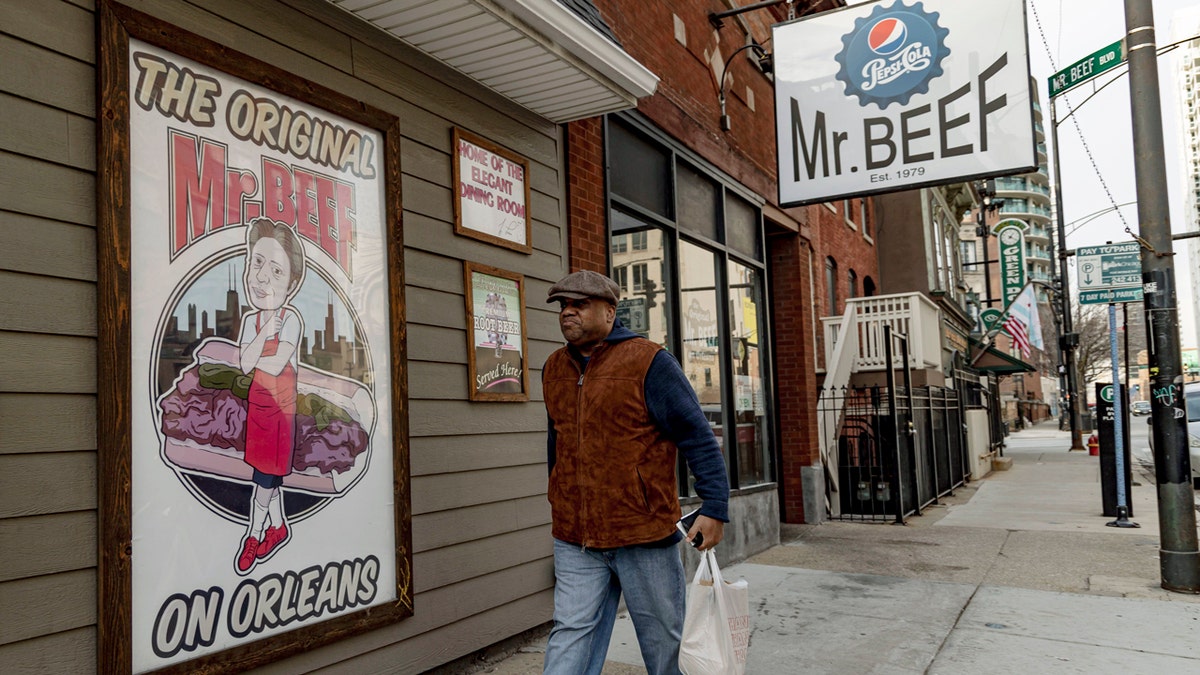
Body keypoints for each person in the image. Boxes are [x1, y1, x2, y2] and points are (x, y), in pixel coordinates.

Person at [541, 269, 730, 675]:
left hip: (642, 533)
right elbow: (557, 444)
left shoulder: (649, 361)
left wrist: (715, 505)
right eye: (562, 306)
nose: (567, 313)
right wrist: (558, 495)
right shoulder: (554, 368)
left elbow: (696, 434)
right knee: (570, 631)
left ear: (610, 312)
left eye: (579, 304)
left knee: (664, 644)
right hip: (575, 537)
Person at [236, 217, 306, 575]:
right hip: (258, 410)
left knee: (263, 480)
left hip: (280, 414)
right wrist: (264, 332)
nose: (262, 276)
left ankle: (255, 533)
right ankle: (280, 527)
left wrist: (256, 348)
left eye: (276, 270)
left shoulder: (292, 319)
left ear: (292, 284)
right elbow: (245, 363)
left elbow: (276, 366)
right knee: (270, 476)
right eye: (257, 263)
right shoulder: (253, 322)